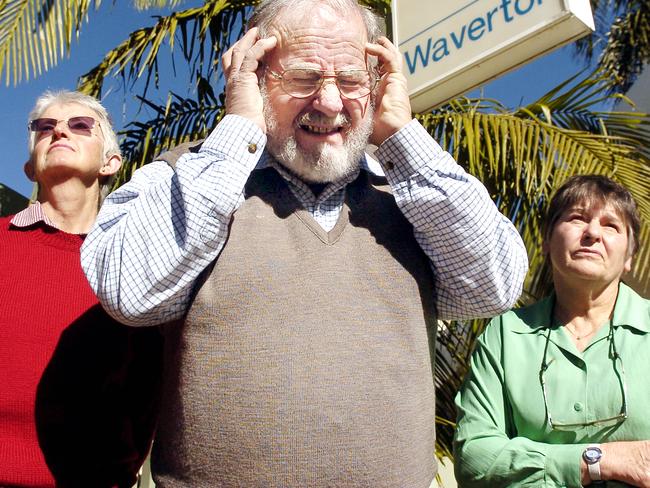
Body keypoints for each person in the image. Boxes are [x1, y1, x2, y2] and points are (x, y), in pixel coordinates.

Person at [81, 0, 528, 486]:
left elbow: (494, 286)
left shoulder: (413, 186)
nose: (330, 103)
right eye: (302, 78)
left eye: (352, 80)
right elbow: (129, 293)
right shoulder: (186, 175)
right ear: (252, 76)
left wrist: (401, 135)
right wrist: (237, 133)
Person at [0, 90, 162, 488]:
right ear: (30, 167)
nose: (58, 132)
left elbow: (151, 384)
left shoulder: (138, 263)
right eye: (44, 128)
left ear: (111, 162)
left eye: (79, 125)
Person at [454, 175, 650, 487]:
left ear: (629, 256)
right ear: (546, 241)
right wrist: (600, 462)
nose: (593, 233)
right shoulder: (505, 335)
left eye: (611, 225)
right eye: (577, 218)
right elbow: (475, 459)